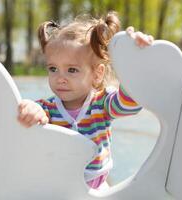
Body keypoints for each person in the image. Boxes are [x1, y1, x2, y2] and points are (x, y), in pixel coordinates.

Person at [17, 11, 154, 190]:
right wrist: (31, 110)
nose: (60, 78)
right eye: (53, 68)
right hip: (57, 186)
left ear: (97, 74)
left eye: (72, 70)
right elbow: (29, 116)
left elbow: (129, 104)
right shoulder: (47, 109)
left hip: (95, 187)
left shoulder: (102, 103)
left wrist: (134, 62)